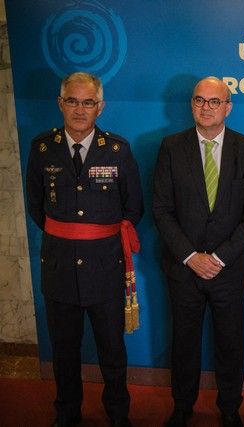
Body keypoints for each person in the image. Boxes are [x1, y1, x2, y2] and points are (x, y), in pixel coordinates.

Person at [26, 72, 143, 427]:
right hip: (60, 268)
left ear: (100, 106)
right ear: (61, 103)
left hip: (104, 268)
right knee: (64, 351)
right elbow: (36, 207)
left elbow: (133, 207)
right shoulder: (42, 147)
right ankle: (67, 413)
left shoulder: (118, 150)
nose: (80, 109)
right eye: (73, 101)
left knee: (112, 351)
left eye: (88, 102)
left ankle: (118, 414)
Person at [152, 76, 244, 427]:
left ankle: (230, 409)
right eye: (199, 100)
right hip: (183, 268)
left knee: (230, 343)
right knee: (184, 343)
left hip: (228, 270)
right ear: (192, 105)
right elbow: (161, 209)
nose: (206, 107)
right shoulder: (171, 147)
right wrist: (191, 257)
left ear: (228, 107)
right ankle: (182, 407)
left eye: (214, 101)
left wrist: (218, 258)